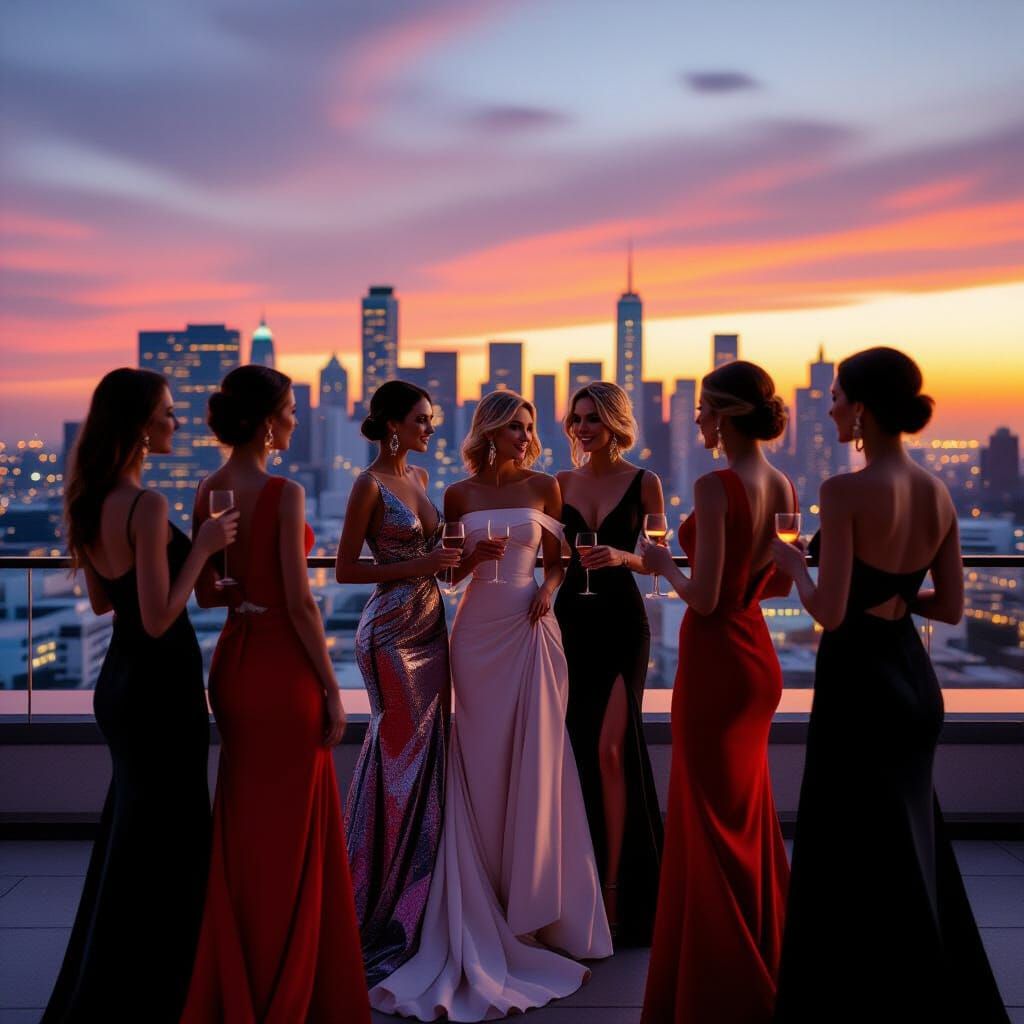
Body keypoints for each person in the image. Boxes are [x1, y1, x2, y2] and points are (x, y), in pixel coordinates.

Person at [770, 347, 1009, 1023]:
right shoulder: (938, 491)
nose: (830, 409)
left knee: (847, 847)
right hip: (912, 679)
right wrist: (898, 599)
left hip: (858, 682)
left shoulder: (843, 491)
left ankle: (856, 998)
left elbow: (829, 612)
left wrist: (794, 564)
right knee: (908, 838)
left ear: (863, 410)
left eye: (836, 397)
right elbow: (952, 608)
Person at [370, 390, 612, 1021]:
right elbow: (448, 575)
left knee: (538, 760)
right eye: (516, 429)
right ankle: (485, 897)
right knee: (479, 765)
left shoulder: (544, 487)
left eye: (529, 428)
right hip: (476, 635)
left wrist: (548, 592)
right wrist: (470, 558)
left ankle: (536, 907)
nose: (526, 438)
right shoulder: (457, 494)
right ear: (491, 433)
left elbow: (559, 561)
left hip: (530, 626)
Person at [45, 368, 236, 1023]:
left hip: (119, 683)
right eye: (167, 413)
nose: (176, 423)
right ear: (139, 425)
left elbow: (107, 604)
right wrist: (202, 547)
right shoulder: (147, 505)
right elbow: (158, 619)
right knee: (172, 838)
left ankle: (110, 985)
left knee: (132, 832)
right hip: (159, 685)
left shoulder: (90, 500)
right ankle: (163, 991)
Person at [181, 365, 369, 1024]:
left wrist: (236, 588)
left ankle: (239, 976)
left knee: (245, 827)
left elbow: (206, 594)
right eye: (289, 410)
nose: (295, 420)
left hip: (235, 664)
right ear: (267, 423)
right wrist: (333, 688)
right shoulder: (285, 493)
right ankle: (294, 981)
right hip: (284, 672)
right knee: (294, 830)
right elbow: (301, 604)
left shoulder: (208, 489)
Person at [640, 361, 795, 1024]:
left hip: (714, 662)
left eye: (704, 408)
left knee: (705, 819)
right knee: (745, 815)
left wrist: (662, 563)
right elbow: (780, 582)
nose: (696, 418)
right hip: (756, 658)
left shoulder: (715, 486)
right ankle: (762, 952)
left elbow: (702, 598)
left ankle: (722, 981)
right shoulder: (782, 482)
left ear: (727, 416)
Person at [336, 380, 458, 986]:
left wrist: (467, 560)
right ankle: (378, 900)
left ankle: (422, 894)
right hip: (388, 631)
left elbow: (442, 566)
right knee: (396, 757)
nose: (430, 428)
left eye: (431, 419)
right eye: (421, 419)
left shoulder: (423, 478)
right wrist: (421, 564)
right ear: (393, 425)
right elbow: (344, 569)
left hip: (432, 625)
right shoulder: (368, 484)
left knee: (430, 752)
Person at [554, 380, 664, 944]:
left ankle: (619, 887)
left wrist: (622, 555)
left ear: (615, 423)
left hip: (623, 623)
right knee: (576, 750)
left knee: (612, 750)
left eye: (593, 418)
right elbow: (549, 560)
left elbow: (656, 558)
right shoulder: (559, 483)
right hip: (570, 620)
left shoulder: (646, 482)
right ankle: (580, 889)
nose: (583, 428)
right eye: (577, 419)